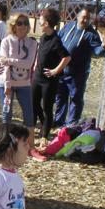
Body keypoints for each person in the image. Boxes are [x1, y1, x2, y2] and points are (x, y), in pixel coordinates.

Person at [53, 7, 105, 125]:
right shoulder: (68, 26)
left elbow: (97, 51)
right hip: (62, 69)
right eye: (84, 17)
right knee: (60, 97)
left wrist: (104, 46)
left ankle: (71, 123)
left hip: (78, 73)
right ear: (77, 17)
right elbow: (58, 38)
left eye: (88, 19)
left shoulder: (91, 34)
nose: (86, 20)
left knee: (75, 98)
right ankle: (58, 121)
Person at [32, 8, 70, 141]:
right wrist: (35, 66)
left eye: (41, 20)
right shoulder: (43, 37)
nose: (39, 23)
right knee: (34, 104)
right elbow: (39, 54)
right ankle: (44, 124)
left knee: (47, 107)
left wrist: (55, 71)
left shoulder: (56, 40)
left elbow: (66, 57)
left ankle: (45, 135)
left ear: (46, 23)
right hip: (37, 77)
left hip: (49, 80)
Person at [0, 13, 37, 129]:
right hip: (6, 82)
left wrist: (9, 60)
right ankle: (6, 141)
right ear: (13, 25)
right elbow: (3, 64)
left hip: (24, 83)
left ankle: (28, 142)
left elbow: (28, 64)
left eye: (26, 23)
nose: (23, 26)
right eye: (19, 23)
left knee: (29, 115)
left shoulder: (33, 43)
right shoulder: (6, 41)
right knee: (6, 114)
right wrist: (7, 84)